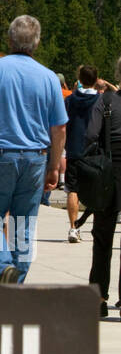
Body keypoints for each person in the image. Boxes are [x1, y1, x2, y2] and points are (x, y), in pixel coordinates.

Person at [0, 16, 67, 285]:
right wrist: (54, 166)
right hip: (36, 158)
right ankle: (16, 284)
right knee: (23, 224)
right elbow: (59, 129)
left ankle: (2, 268)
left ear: (10, 40)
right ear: (37, 42)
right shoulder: (49, 78)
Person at [83, 62, 121, 318]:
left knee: (102, 238)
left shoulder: (105, 100)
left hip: (109, 171)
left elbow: (90, 134)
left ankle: (99, 298)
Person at [64, 64, 100, 243]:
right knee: (97, 190)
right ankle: (91, 224)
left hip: (74, 148)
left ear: (79, 79)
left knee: (73, 189)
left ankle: (73, 227)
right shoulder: (100, 100)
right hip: (94, 151)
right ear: (96, 79)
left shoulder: (70, 100)